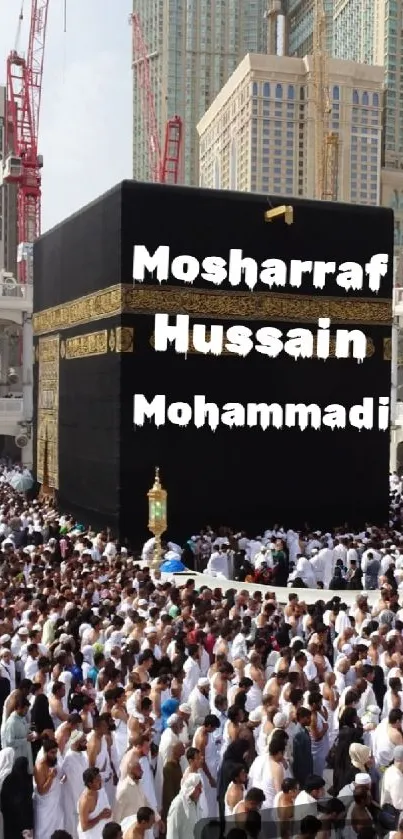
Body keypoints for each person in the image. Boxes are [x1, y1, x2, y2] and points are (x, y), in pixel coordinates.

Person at [33, 737, 63, 839]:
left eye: (56, 752)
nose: (54, 755)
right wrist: (50, 777)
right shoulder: (40, 767)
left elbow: (60, 773)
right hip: (46, 806)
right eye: (52, 753)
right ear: (45, 752)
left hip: (56, 803)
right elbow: (42, 791)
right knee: (44, 832)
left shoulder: (54, 761)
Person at [0, 756, 34, 839]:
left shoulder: (8, 780)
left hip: (10, 819)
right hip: (24, 821)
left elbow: (2, 800)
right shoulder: (26, 780)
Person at [166, 773, 203, 839]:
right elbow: (172, 833)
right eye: (198, 789)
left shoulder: (196, 803)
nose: (201, 791)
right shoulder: (178, 805)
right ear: (191, 788)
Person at [78, 767, 112, 839]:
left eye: (99, 777)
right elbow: (84, 827)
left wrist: (109, 813)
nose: (100, 780)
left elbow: (106, 808)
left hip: (103, 833)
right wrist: (100, 817)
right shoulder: (85, 801)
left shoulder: (101, 790)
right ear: (90, 784)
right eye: (97, 780)